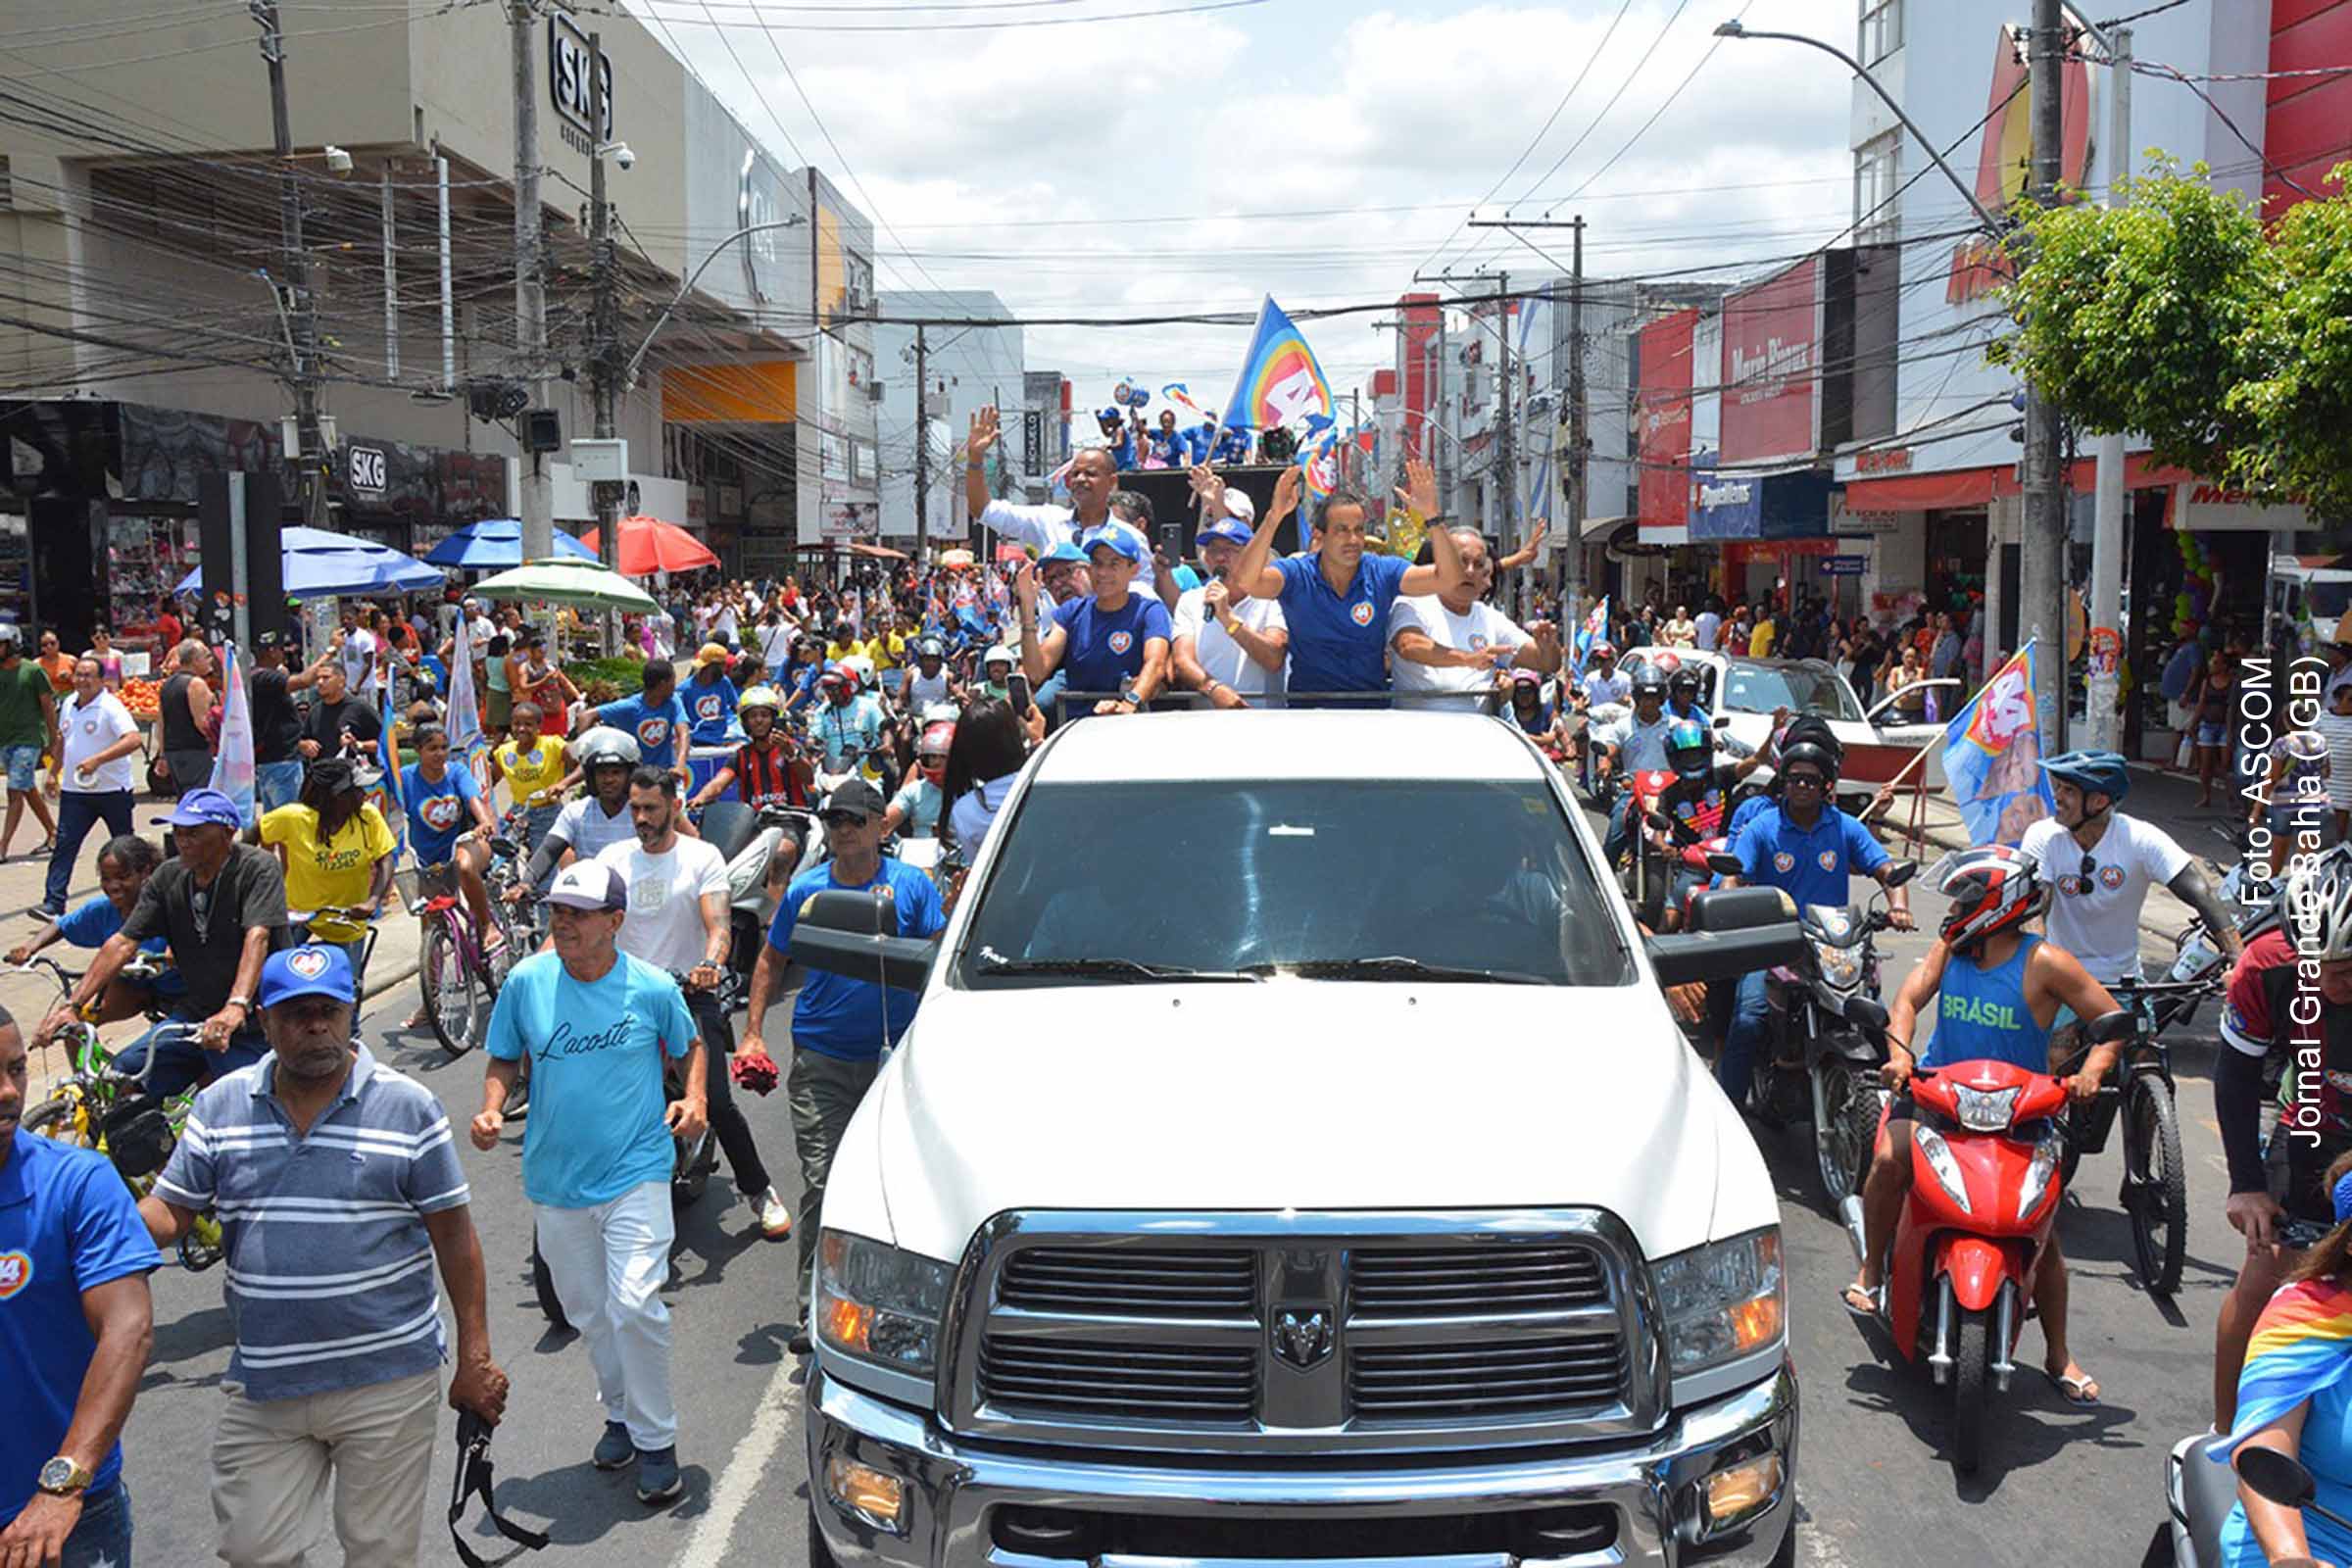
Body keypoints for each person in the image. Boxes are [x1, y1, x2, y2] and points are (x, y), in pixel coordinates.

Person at [139, 943, 508, 1567]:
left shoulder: (409, 1108)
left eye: (328, 1011)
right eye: (296, 1013)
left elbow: (454, 1236)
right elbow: (170, 1214)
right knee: (253, 1550)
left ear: (350, 1013)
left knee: (378, 1554)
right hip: (266, 1382)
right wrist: (91, 1216)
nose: (315, 1026)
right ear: (265, 1021)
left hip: (386, 1380)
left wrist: (474, 1358)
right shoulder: (221, 1105)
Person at [1846, 845, 2118, 1403]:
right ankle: (1873, 1271)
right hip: (1940, 1098)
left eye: (1965, 898)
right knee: (1888, 1160)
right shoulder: (1953, 948)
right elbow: (1910, 994)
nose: (1955, 909)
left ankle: (2058, 1353)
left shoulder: (2045, 962)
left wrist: (2092, 1070)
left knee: (2042, 1233)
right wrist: (1900, 1053)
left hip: (2021, 1112)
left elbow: (2111, 1022)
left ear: (1998, 903)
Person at [474, 860, 704, 1505]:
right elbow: (503, 1055)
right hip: (556, 1179)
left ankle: (657, 1442)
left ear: (616, 922)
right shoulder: (526, 982)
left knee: (635, 1304)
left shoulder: (652, 987)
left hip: (636, 1169)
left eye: (578, 912)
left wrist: (694, 1098)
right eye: (558, 910)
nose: (564, 922)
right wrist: (493, 1105)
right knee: (590, 1314)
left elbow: (690, 1047)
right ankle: (621, 1417)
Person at [739, 779, 944, 1349]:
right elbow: (771, 960)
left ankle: (902, 1307)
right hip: (822, 1058)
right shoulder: (806, 891)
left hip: (896, 1063)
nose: (843, 829)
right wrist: (753, 1034)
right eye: (834, 819)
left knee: (897, 1188)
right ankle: (815, 1308)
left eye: (855, 819)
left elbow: (936, 961)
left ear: (882, 825)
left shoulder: (912, 887)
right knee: (823, 1183)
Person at [598, 768, 793, 1241]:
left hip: (688, 994)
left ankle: (759, 1190)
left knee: (719, 1103)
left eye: (651, 809)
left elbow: (719, 924)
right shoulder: (613, 858)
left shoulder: (700, 857)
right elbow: (588, 917)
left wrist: (710, 962)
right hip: (626, 1000)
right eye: (635, 809)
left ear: (674, 807)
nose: (641, 818)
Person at [0, 1007, 159, 1568]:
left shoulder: (76, 1184)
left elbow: (128, 1329)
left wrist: (63, 1483)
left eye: (17, 1069)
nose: (8, 1092)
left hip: (58, 1520)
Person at [2210, 844, 2352, 1427]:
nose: (2325, 984)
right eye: (2313, 967)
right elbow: (2236, 1075)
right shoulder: (2266, 966)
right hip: (2314, 1125)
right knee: (2268, 1268)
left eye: (2343, 970)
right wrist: (2245, 1185)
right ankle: (2222, 1438)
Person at [1717, 738, 1914, 1102]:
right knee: (1748, 1020)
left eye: (1811, 780)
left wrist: (1899, 906)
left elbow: (1887, 870)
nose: (1802, 786)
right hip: (1773, 946)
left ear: (1826, 786)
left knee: (1878, 1021)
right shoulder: (1762, 827)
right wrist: (1729, 903)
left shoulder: (1845, 827)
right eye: (1794, 779)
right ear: (1784, 782)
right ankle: (1727, 1111)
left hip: (1833, 948)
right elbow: (1734, 875)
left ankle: (1893, 1108)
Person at [54, 788, 285, 1099]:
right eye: (178, 832)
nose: (183, 840)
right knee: (123, 1078)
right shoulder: (168, 876)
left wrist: (235, 1006)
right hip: (197, 1013)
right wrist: (72, 1006)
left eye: (194, 832)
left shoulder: (257, 867)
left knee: (247, 1100)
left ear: (227, 832)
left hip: (256, 1021)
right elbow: (123, 942)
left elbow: (258, 936)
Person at [2019, 752, 2244, 1036]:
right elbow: (2035, 910)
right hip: (2062, 979)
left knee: (2142, 1059)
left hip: (2123, 981)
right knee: (2059, 1053)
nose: (2057, 798)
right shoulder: (2043, 836)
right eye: (2058, 788)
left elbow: (2202, 895)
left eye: (2069, 791)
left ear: (2099, 801)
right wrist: (2035, 969)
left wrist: (2241, 963)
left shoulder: (2140, 838)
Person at [1227, 458, 1467, 704]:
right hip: (1308, 714)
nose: (1353, 539)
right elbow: (1247, 582)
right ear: (1319, 535)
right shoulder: (1296, 573)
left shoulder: (1382, 571)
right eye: (1342, 530)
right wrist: (1274, 516)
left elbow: (1449, 580)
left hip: (1369, 714)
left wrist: (1432, 517)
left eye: (1359, 529)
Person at [965, 408, 1167, 600]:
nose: (1080, 479)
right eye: (1075, 474)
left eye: (1090, 474)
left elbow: (1144, 595)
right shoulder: (1048, 520)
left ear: (1112, 482)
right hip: (1051, 635)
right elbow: (981, 509)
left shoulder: (1131, 537)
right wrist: (975, 458)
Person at [12, 834, 180, 1033]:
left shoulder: (172, 905)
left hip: (184, 994)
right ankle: (84, 1064)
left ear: (146, 872)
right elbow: (62, 925)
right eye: (106, 879)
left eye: (123, 877)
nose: (113, 886)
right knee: (71, 1024)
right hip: (132, 987)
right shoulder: (102, 909)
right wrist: (29, 947)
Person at [1387, 525, 1562, 710]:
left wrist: (1548, 647)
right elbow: (1409, 646)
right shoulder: (1412, 603)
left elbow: (1547, 663)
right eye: (1461, 562)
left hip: (1478, 729)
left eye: (1478, 565)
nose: (1470, 571)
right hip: (1418, 727)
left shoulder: (1489, 617)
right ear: (1443, 564)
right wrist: (1468, 659)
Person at [1016, 521, 1172, 717]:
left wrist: (1129, 703)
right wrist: (1028, 609)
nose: (1103, 573)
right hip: (1079, 727)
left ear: (1133, 569)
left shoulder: (1149, 610)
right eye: (1097, 563)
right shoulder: (1070, 613)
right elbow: (1037, 672)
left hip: (1131, 723)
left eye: (1114, 564)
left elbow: (1156, 664)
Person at [261, 758, 396, 980]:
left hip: (346, 919)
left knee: (346, 989)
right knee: (280, 981)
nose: (364, 794)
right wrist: (267, 872)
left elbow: (385, 859)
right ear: (336, 795)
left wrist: (372, 900)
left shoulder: (367, 816)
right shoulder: (293, 817)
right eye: (357, 789)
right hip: (300, 915)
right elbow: (258, 832)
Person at [398, 723, 499, 1013]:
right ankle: (431, 1004)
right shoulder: (405, 779)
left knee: (464, 867)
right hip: (429, 862)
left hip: (467, 844)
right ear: (417, 751)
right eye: (432, 748)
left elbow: (473, 800)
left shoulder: (457, 772)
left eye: (443, 747)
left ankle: (487, 923)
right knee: (431, 931)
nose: (439, 754)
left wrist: (483, 823)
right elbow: (390, 812)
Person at [38, 658, 142, 922]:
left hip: (112, 790)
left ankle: (141, 900)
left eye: (88, 676)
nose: (82, 680)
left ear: (100, 680)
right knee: (65, 844)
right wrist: (53, 773)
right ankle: (53, 903)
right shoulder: (69, 704)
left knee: (125, 849)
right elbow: (63, 740)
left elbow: (133, 739)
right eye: (79, 675)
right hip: (76, 792)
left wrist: (98, 760)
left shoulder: (110, 707)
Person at [1171, 513, 1290, 710]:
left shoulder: (1271, 599)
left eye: (1229, 550)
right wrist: (1214, 689)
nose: (1219, 558)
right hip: (1206, 721)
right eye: (1212, 550)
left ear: (1250, 556)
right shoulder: (1190, 601)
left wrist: (1228, 619)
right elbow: (1182, 661)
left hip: (1261, 719)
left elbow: (1274, 659)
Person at [0, 624, 59, 862]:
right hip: (6, 740)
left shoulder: (32, 671)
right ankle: (53, 832)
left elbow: (48, 706)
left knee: (14, 790)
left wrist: (53, 739)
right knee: (26, 788)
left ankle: (3, 846)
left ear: (12, 644)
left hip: (29, 739)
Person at [589, 657, 692, 789]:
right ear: (662, 684)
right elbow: (587, 716)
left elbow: (683, 733)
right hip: (635, 778)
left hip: (663, 775)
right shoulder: (630, 706)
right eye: (673, 681)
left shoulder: (673, 702)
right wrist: (584, 756)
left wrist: (680, 765)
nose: (675, 685)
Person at [248, 630, 321, 813]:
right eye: (282, 649)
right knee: (289, 818)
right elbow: (304, 680)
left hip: (273, 759)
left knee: (273, 821)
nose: (285, 654)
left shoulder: (262, 676)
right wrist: (330, 652)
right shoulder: (263, 677)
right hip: (282, 761)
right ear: (271, 651)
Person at [490, 700, 570, 851]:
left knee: (543, 857)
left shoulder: (552, 745)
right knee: (501, 850)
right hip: (519, 810)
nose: (521, 728)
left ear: (539, 726)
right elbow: (491, 781)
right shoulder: (504, 752)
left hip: (547, 810)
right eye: (516, 723)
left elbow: (580, 766)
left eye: (528, 724)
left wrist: (564, 783)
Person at [156, 638, 217, 799]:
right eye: (207, 656)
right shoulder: (196, 684)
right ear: (195, 660)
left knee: (185, 801)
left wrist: (162, 755)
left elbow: (161, 723)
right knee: (200, 801)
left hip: (173, 752)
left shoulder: (167, 684)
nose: (211, 660)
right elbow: (202, 723)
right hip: (195, 752)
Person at [295, 659, 382, 765]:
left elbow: (384, 744)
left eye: (326, 678)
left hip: (353, 776)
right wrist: (305, 745)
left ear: (341, 681)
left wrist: (358, 745)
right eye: (318, 678)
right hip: (322, 775)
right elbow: (301, 740)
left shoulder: (360, 708)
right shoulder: (314, 711)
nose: (320, 682)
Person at [809, 665, 889, 777]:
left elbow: (884, 729)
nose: (830, 693)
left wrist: (886, 744)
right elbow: (814, 736)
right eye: (827, 689)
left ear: (849, 687)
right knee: (814, 790)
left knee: (874, 790)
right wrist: (812, 744)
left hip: (865, 769)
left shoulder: (869, 706)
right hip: (833, 770)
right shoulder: (823, 711)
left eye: (834, 689)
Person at [882, 719, 954, 840]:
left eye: (943, 757)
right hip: (920, 855)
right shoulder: (915, 790)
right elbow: (886, 821)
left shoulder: (973, 791)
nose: (936, 762)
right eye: (932, 756)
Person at [2186, 648, 2239, 808]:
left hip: (2224, 725)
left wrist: (2230, 731)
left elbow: (2232, 707)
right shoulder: (2207, 682)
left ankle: (2232, 796)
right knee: (2205, 763)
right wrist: (2193, 722)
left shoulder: (2233, 682)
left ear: (2224, 666)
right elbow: (2202, 703)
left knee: (2226, 764)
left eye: (2215, 662)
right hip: (2208, 724)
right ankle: (2206, 795)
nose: (2211, 665)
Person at [681, 642, 740, 752]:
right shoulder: (684, 690)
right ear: (710, 667)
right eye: (722, 665)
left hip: (720, 739)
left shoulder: (724, 682)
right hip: (695, 743)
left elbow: (737, 705)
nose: (724, 669)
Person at [2315, 677, 2352, 845]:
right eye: (2350, 699)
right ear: (2338, 699)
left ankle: (2339, 844)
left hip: (2347, 775)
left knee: (2343, 809)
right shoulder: (2322, 718)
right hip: (2324, 772)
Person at [332, 604, 379, 701]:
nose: (346, 621)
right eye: (343, 619)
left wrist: (358, 685)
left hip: (365, 688)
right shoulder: (343, 637)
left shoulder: (364, 637)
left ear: (356, 619)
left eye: (349, 618)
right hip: (348, 687)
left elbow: (368, 664)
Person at [81, 627, 122, 693]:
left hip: (113, 694)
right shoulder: (87, 655)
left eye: (105, 637)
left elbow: (123, 678)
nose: (101, 640)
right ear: (92, 639)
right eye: (97, 638)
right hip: (92, 694)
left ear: (109, 637)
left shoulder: (118, 655)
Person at [34, 629, 74, 695]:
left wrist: (70, 677)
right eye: (45, 644)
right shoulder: (36, 664)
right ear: (41, 648)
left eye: (52, 643)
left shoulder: (71, 660)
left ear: (58, 643)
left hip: (69, 698)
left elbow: (81, 682)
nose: (49, 646)